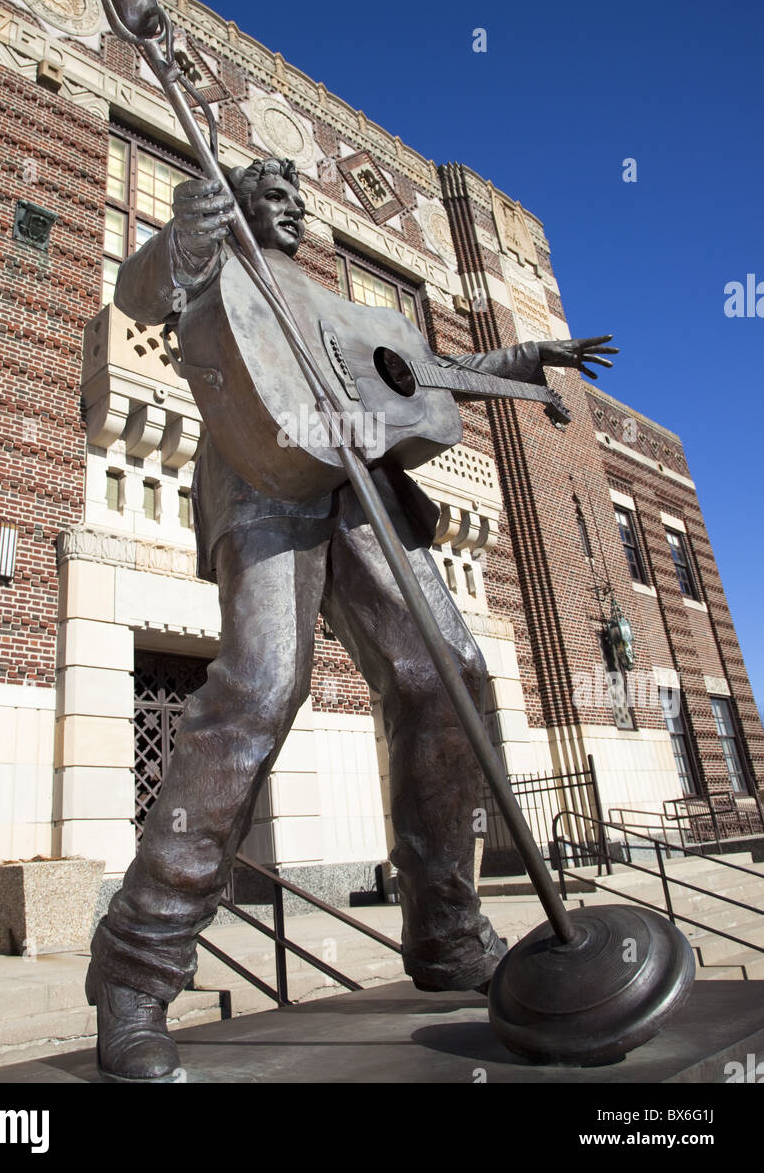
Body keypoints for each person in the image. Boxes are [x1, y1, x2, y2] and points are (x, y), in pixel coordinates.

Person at [85, 157, 616, 1081]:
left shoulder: (328, 297)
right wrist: (187, 233)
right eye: (275, 198)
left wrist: (523, 364)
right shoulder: (215, 255)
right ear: (242, 201)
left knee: (446, 676)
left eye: (298, 200)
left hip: (367, 486)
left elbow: (422, 367)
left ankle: (446, 931)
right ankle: (135, 972)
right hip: (265, 477)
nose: (291, 211)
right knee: (260, 687)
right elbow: (141, 290)